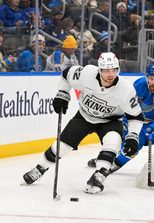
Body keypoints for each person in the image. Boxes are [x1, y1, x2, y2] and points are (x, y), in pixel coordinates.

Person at [22, 52, 144, 194]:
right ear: (99, 70)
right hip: (84, 116)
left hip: (110, 121)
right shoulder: (86, 74)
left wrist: (133, 136)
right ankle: (39, 168)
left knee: (113, 143)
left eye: (113, 70)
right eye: (106, 70)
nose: (110, 74)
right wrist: (63, 94)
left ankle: (100, 174)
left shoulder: (126, 89)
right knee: (61, 147)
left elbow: (136, 116)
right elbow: (66, 75)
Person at [87, 63, 154, 172]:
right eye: (151, 78)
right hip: (137, 121)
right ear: (147, 77)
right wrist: (125, 122)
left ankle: (115, 164)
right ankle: (106, 158)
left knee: (137, 140)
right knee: (119, 136)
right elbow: (127, 106)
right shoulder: (139, 84)